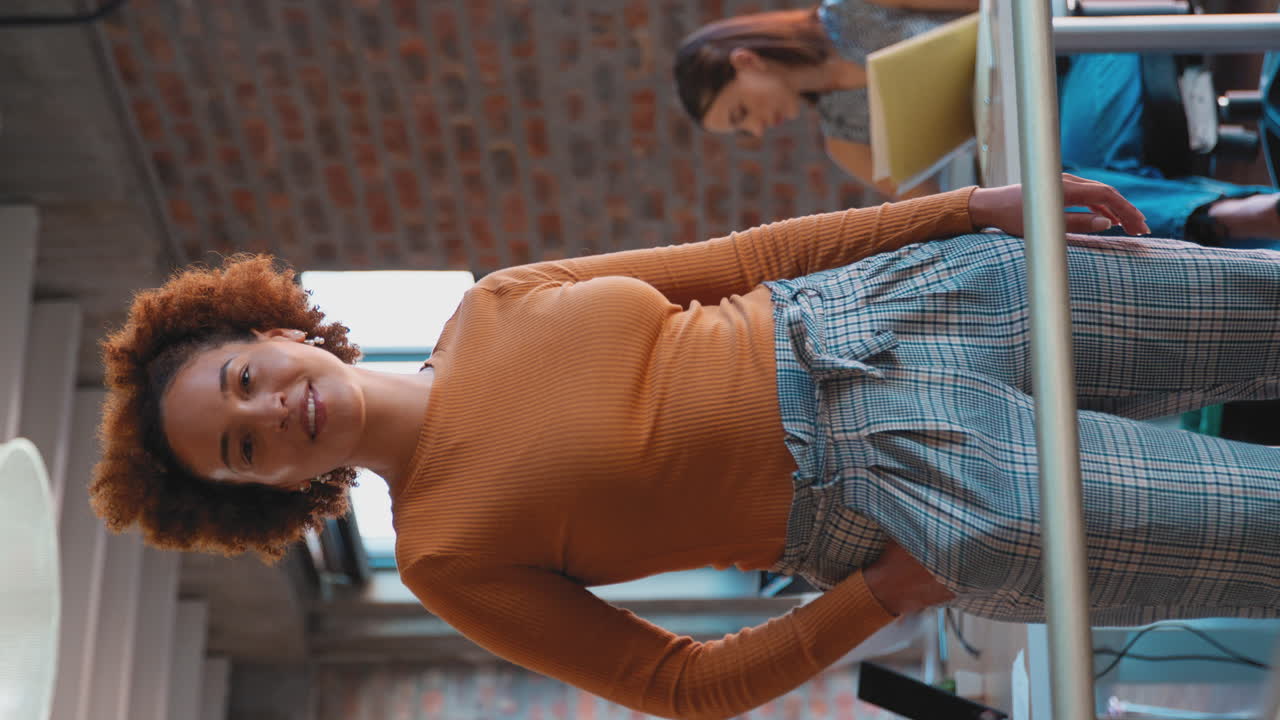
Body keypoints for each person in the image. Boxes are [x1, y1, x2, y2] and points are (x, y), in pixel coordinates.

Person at [92, 175, 1280, 720]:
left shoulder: (496, 300)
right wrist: (880, 594)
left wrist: (963, 209)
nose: (269, 414)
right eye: (242, 450)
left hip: (911, 304)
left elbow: (743, 260)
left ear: (269, 328)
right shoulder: (448, 559)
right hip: (915, 494)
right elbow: (678, 686)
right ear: (275, 495)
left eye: (243, 383)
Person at [675, 1, 1280, 242]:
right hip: (1042, 131)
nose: (758, 129)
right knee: (1062, 187)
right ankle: (1241, 214)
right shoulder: (843, 139)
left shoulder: (856, 7)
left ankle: (1243, 218)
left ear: (746, 59)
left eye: (742, 113)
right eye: (743, 131)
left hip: (1071, 47)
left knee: (1070, 179)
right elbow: (944, 211)